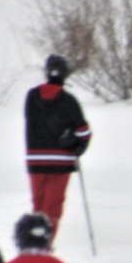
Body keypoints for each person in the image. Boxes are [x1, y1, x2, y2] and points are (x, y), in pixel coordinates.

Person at [24, 54, 92, 242]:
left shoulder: (31, 97)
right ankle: (46, 244)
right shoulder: (69, 100)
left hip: (35, 162)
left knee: (38, 205)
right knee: (52, 208)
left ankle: (33, 244)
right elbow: (84, 132)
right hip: (60, 162)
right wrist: (79, 145)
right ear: (65, 75)